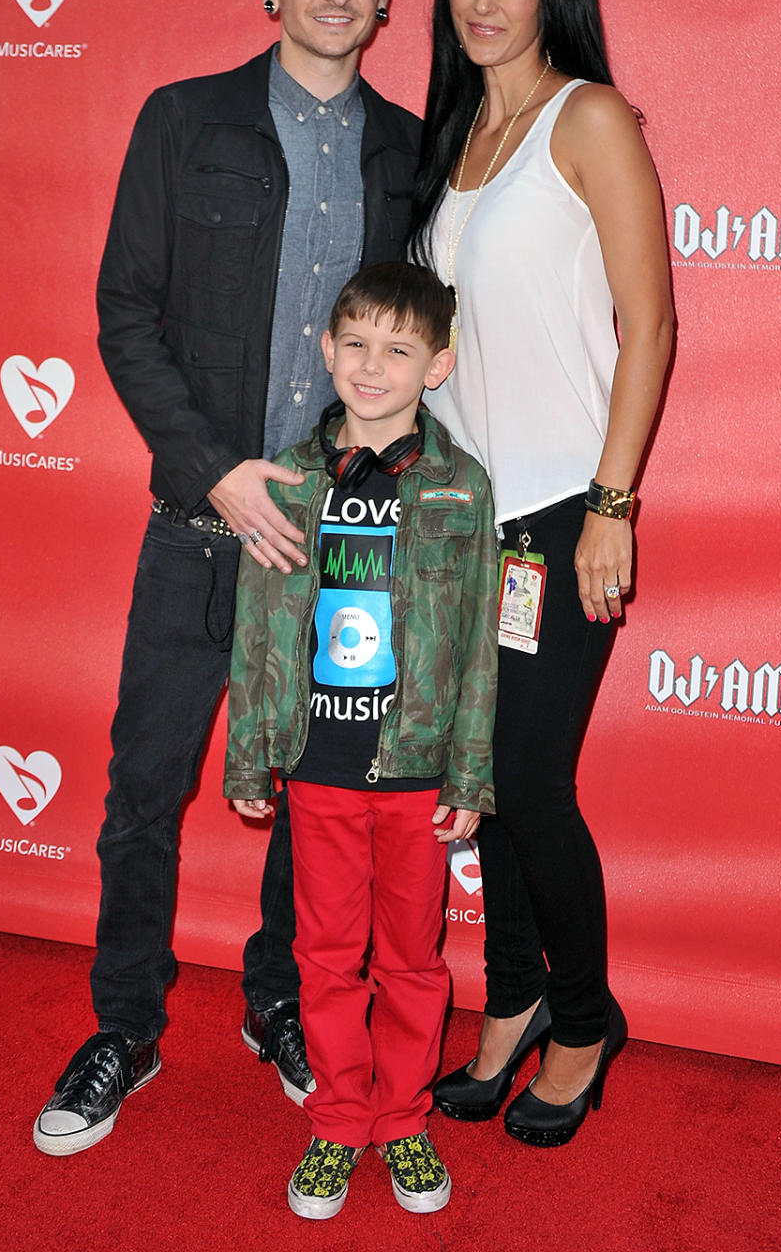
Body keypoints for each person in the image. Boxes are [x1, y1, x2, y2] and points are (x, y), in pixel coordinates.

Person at [32, 0, 421, 1157]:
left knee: (312, 800)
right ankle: (126, 1029)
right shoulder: (182, 121)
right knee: (146, 787)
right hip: (202, 527)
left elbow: (420, 349)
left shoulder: (409, 151)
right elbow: (124, 317)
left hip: (343, 546)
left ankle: (278, 1003)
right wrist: (218, 473)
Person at [409, 0, 673, 1147]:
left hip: (564, 508)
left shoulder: (591, 119)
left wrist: (614, 505)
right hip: (464, 524)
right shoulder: (455, 132)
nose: (483, 2)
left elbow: (650, 324)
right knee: (486, 780)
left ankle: (581, 1020)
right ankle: (508, 1002)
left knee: (526, 775)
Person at [225, 262, 498, 1219]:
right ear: (325, 349)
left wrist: (468, 769)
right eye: (355, 344)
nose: (372, 366)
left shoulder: (463, 489)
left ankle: (404, 1119)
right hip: (321, 769)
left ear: (438, 364)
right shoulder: (290, 478)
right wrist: (252, 754)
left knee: (415, 962)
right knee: (328, 957)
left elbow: (474, 649)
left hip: (419, 773)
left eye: (398, 349)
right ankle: (340, 1121)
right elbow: (259, 629)